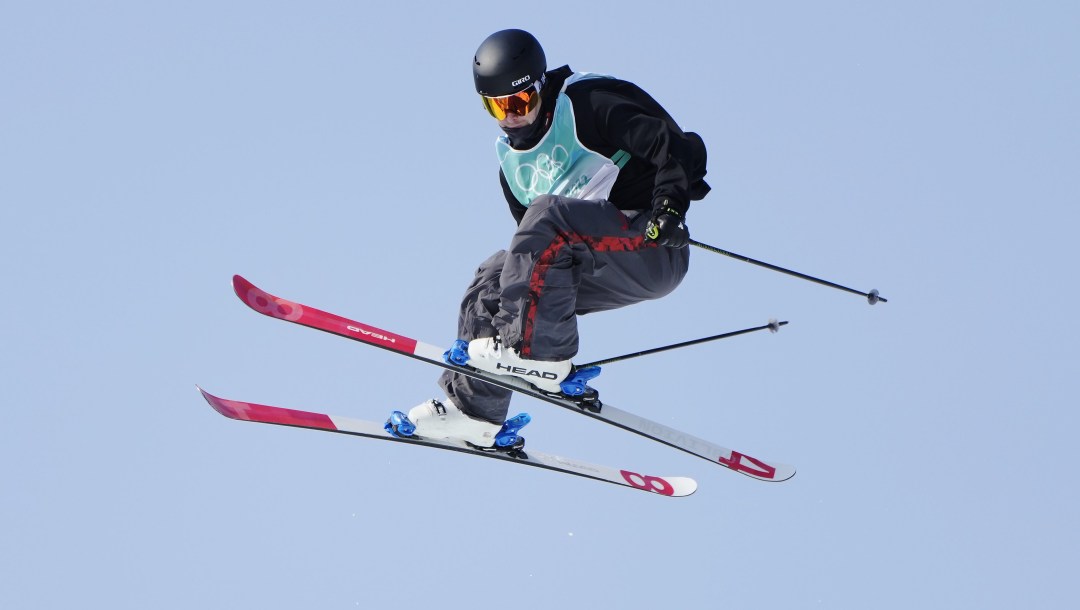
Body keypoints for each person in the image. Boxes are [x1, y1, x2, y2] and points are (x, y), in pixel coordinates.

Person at [386, 28, 710, 450]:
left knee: (547, 216)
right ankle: (475, 411)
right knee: (492, 277)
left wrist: (669, 207)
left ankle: (538, 351)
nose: (511, 116)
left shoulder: (588, 103)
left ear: (540, 87)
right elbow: (532, 262)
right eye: (497, 106)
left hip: (649, 245)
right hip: (593, 261)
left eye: (520, 101)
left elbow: (677, 146)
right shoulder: (512, 167)